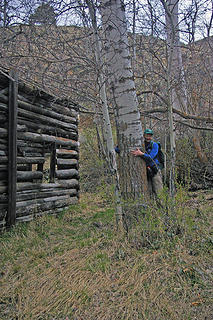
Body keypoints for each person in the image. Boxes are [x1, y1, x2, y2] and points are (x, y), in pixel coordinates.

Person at [131, 128, 163, 198]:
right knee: (149, 192)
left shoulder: (154, 145)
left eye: (150, 136)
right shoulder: (141, 145)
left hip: (155, 170)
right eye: (147, 135)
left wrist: (141, 154)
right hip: (146, 172)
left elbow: (151, 157)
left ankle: (162, 207)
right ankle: (151, 207)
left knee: (159, 191)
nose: (148, 137)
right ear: (144, 136)